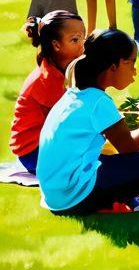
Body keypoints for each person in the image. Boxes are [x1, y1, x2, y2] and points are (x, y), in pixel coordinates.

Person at [36, 30, 139, 214]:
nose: (135, 70)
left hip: (55, 193)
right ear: (113, 66)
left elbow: (116, 142)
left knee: (113, 158)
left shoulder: (75, 93)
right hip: (73, 197)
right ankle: (103, 202)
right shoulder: (99, 102)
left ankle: (111, 198)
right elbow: (130, 148)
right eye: (130, 62)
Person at [10, 11, 86, 172]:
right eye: (75, 40)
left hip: (48, 144)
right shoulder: (46, 79)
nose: (83, 45)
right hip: (33, 151)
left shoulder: (63, 69)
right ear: (56, 45)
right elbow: (70, 119)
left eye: (83, 38)